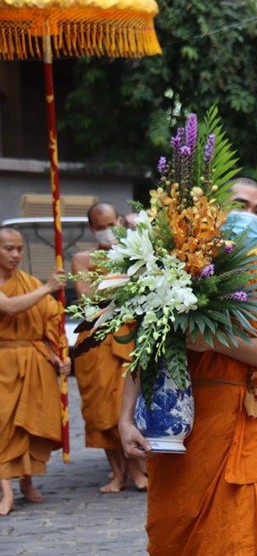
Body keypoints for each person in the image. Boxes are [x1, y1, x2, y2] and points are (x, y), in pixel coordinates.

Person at [118, 181, 257, 556]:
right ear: (208, 209)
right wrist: (125, 416)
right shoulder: (168, 269)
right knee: (173, 547)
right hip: (176, 438)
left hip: (239, 437)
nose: (250, 216)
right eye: (239, 205)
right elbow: (143, 352)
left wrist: (217, 339)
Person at [71, 203, 149, 493]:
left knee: (127, 405)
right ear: (92, 229)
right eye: (101, 227)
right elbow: (90, 299)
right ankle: (118, 473)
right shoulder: (82, 258)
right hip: (97, 337)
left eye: (111, 224)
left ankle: (137, 469)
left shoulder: (137, 254)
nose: (108, 231)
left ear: (119, 221)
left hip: (129, 335)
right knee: (103, 409)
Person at [0, 227, 70, 516]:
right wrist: (47, 288)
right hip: (4, 362)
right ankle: (6, 491)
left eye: (19, 249)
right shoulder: (35, 286)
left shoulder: (27, 281)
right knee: (4, 427)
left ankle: (27, 482)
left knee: (27, 425)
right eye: (8, 249)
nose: (16, 255)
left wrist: (57, 355)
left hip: (34, 363)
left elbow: (46, 321)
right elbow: (10, 308)